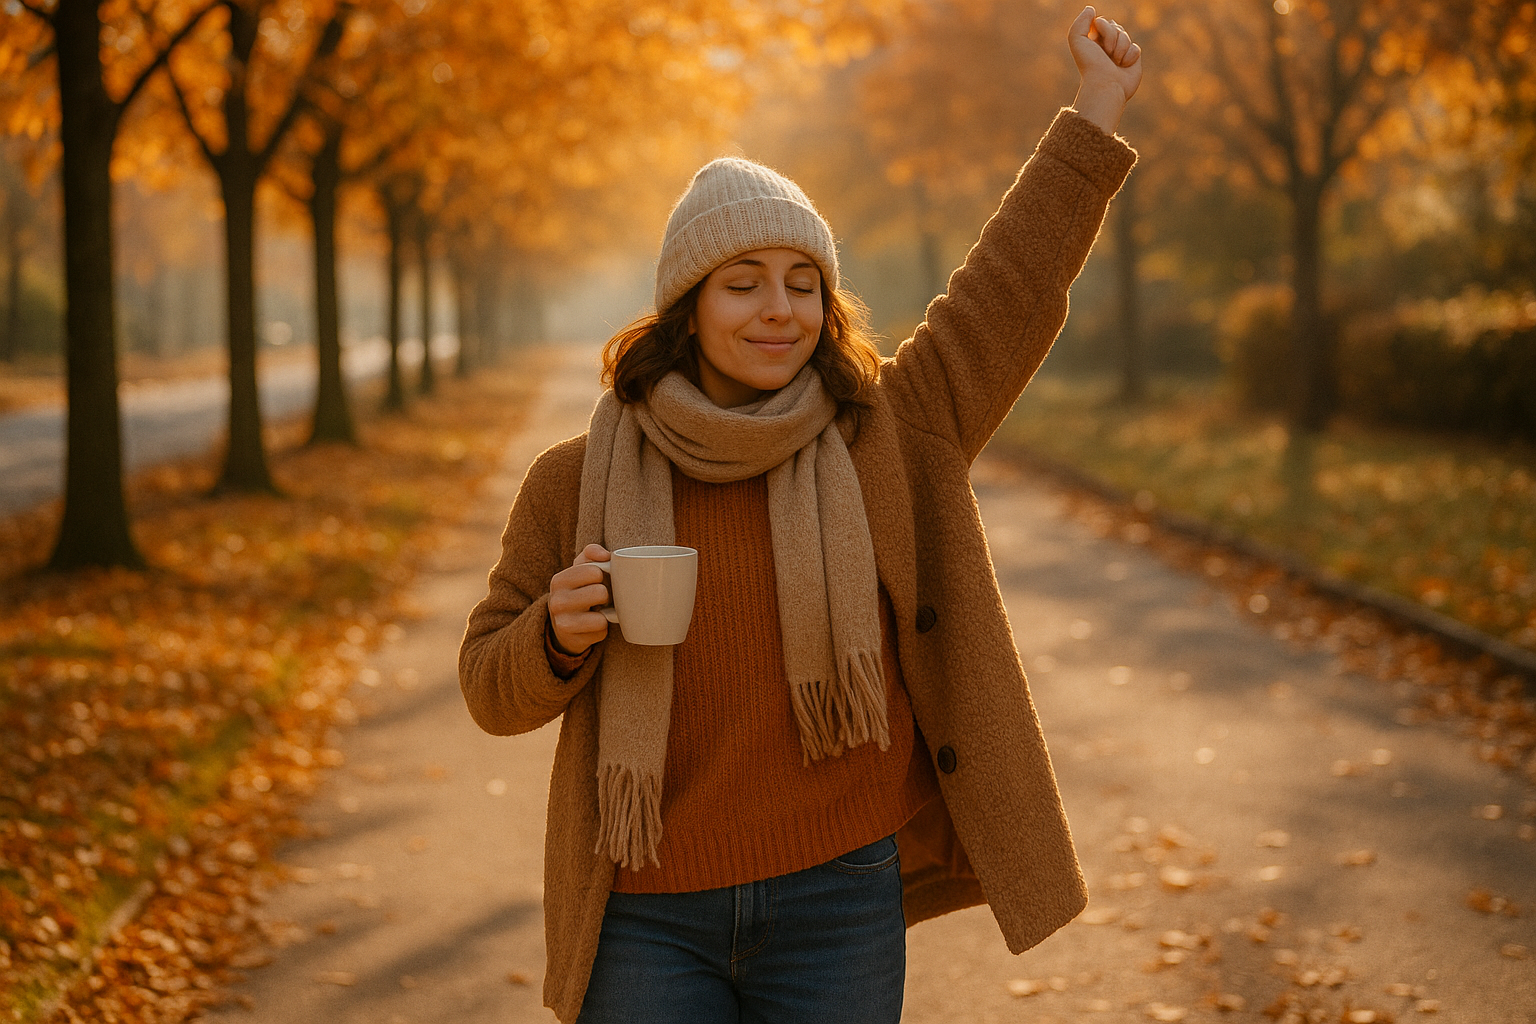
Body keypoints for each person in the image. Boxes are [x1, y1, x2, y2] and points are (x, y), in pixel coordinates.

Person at [459, 7, 1143, 1022]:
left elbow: (1011, 285)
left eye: (803, 284)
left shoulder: (891, 430)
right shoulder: (572, 479)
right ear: (687, 308)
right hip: (645, 909)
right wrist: (554, 635)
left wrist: (1096, 107)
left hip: (838, 892)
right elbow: (488, 686)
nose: (779, 310)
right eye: (743, 284)